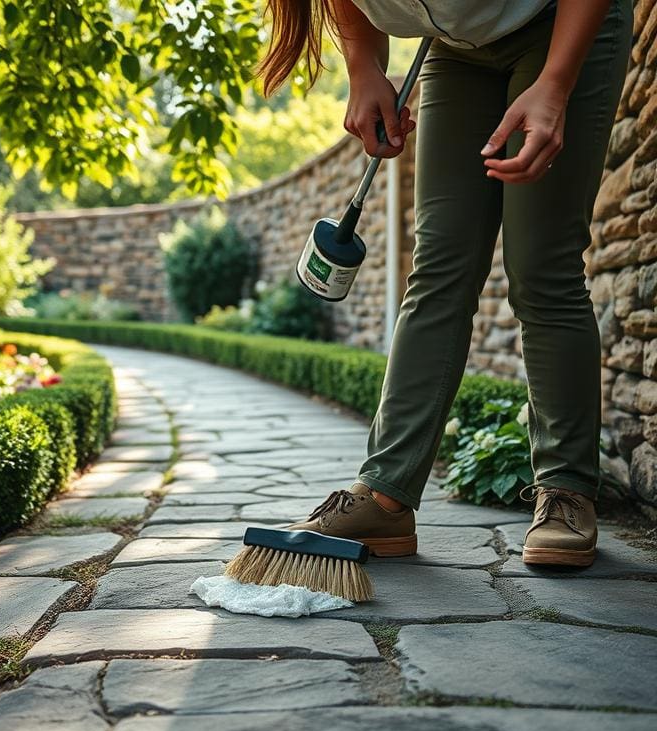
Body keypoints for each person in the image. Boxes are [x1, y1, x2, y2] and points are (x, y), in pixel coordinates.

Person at [260, 0, 632, 566]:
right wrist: (362, 67)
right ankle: (385, 496)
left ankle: (566, 491)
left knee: (542, 268)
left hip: (559, 22)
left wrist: (555, 85)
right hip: (457, 54)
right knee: (437, 268)